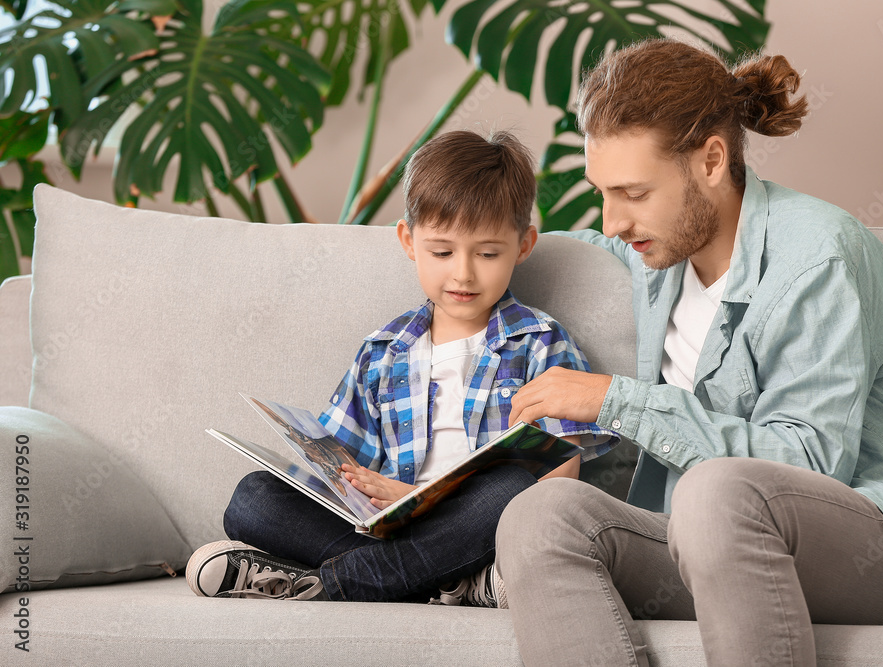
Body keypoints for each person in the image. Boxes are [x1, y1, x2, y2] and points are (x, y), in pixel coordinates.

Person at [494, 38, 883, 666]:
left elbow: (811, 464)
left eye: (634, 193)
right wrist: (473, 250)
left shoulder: (817, 256)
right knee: (539, 518)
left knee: (714, 493)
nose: (613, 222)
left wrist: (615, 401)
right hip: (717, 550)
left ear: (711, 160)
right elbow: (562, 244)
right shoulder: (660, 253)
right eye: (603, 192)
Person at [185, 130, 616, 606]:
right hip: (392, 531)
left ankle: (335, 582)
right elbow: (340, 472)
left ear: (524, 244)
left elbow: (558, 483)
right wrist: (363, 491)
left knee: (511, 489)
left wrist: (419, 493)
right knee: (253, 499)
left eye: (488, 254)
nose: (463, 273)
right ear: (408, 241)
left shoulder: (541, 343)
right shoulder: (383, 351)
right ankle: (438, 584)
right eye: (442, 251)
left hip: (475, 529)